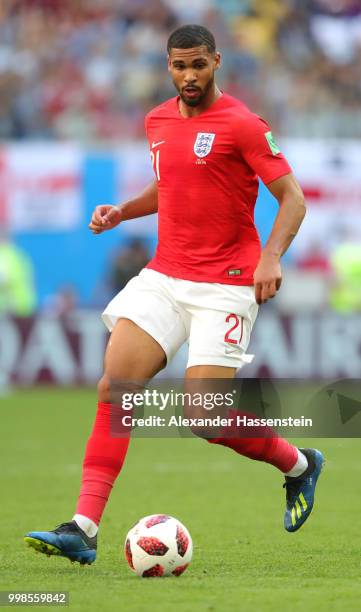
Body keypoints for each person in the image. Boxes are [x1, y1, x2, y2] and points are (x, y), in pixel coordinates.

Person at [24, 24, 324, 565]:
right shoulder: (157, 120)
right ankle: (84, 528)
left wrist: (271, 256)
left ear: (217, 61)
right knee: (117, 385)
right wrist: (122, 211)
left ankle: (300, 465)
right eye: (179, 66)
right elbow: (170, 184)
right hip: (165, 275)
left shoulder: (243, 125)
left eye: (199, 65)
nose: (189, 76)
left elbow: (293, 199)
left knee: (204, 418)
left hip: (225, 283)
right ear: (168, 66)